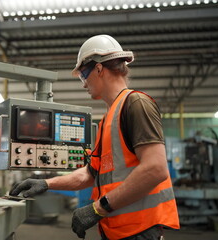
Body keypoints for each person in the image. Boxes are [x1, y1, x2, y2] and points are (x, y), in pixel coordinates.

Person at [10, 35, 180, 240]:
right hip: (117, 231)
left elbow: (155, 169)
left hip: (140, 231)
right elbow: (90, 175)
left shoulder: (136, 104)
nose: (83, 84)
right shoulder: (108, 119)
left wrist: (98, 208)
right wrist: (47, 183)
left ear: (99, 69)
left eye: (83, 75)